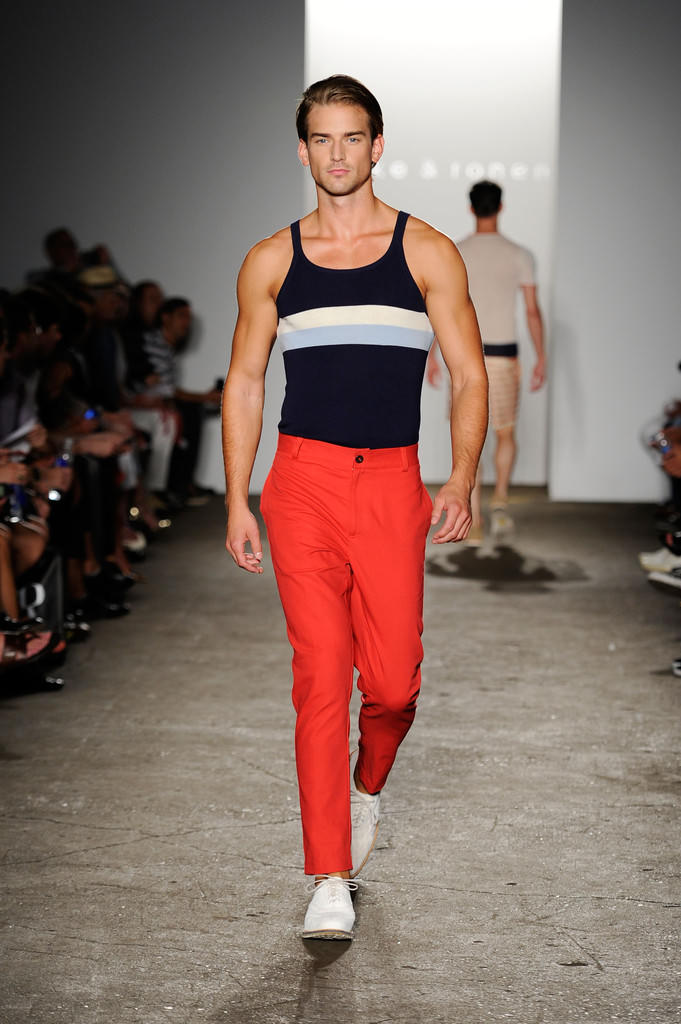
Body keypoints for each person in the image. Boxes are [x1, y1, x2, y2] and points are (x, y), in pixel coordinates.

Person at [221, 74, 488, 941]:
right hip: (300, 484)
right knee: (321, 675)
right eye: (320, 139)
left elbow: (469, 375)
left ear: (377, 146)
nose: (336, 154)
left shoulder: (426, 252)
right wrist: (236, 499)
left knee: (395, 682)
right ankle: (327, 873)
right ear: (302, 151)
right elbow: (246, 382)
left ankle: (365, 788)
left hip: (390, 485)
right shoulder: (271, 260)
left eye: (351, 138)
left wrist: (460, 478)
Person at [427, 180, 546, 542]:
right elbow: (532, 311)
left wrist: (432, 355)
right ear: (501, 207)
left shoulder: (456, 252)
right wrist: (541, 356)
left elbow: (443, 309)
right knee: (505, 433)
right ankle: (501, 502)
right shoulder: (519, 254)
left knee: (469, 437)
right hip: (503, 356)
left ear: (470, 208)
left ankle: (474, 516)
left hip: (463, 356)